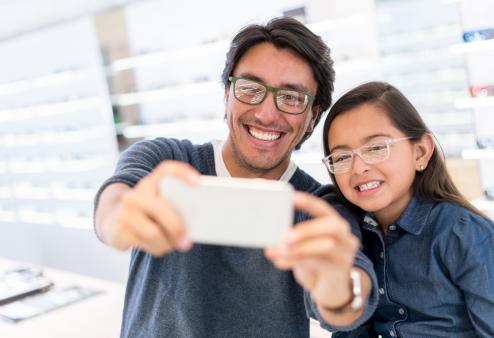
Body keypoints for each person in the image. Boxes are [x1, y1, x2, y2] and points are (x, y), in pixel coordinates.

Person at [94, 17, 379, 338]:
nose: (267, 114)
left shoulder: (318, 207)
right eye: (250, 89)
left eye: (291, 97)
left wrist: (339, 289)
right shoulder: (164, 160)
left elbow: (353, 295)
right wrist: (119, 218)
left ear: (312, 117)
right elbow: (113, 203)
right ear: (226, 95)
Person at [321, 81, 494, 338]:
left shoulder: (464, 234)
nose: (358, 168)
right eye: (342, 157)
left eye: (376, 148)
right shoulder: (355, 235)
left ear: (421, 152)